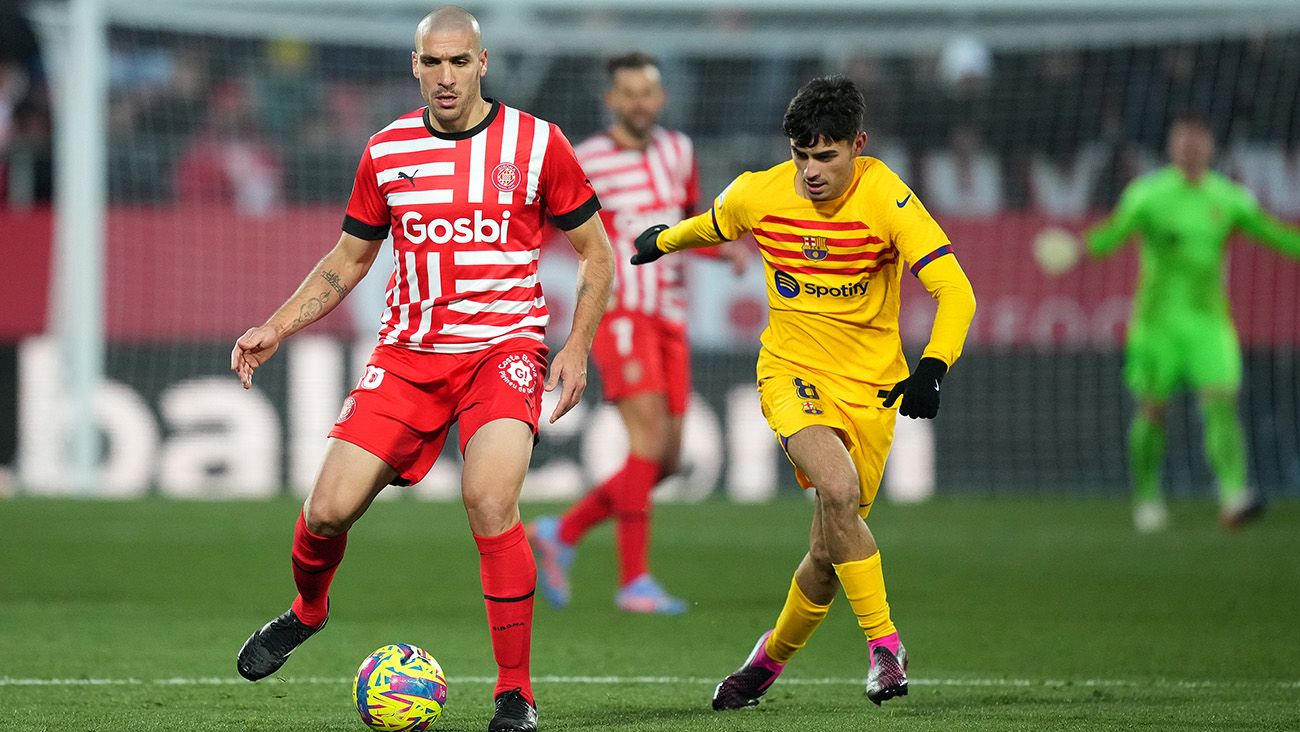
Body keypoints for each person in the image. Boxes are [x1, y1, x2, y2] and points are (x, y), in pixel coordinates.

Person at [230, 7, 613, 732]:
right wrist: (275, 325)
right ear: (415, 66)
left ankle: (515, 695)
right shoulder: (386, 150)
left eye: (458, 63)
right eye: (432, 63)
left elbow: (596, 252)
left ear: (482, 63)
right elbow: (349, 259)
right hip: (408, 359)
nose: (445, 77)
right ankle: (308, 611)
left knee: (490, 500)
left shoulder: (537, 143)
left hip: (504, 352)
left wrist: (576, 345)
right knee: (326, 512)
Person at [629, 76, 976, 709]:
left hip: (873, 389)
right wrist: (661, 240)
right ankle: (886, 648)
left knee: (826, 553)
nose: (811, 170)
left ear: (858, 145)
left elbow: (956, 290)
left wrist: (932, 367)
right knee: (837, 491)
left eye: (826, 155)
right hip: (792, 373)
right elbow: (713, 224)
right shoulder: (761, 192)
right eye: (801, 155)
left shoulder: (888, 199)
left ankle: (765, 663)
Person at [528, 52, 747, 616]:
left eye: (647, 92)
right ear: (611, 100)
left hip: (672, 314)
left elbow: (690, 223)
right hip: (620, 314)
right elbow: (568, 234)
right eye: (627, 93)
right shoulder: (588, 158)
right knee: (647, 443)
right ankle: (635, 581)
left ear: (661, 97)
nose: (639, 102)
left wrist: (731, 251)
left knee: (667, 459)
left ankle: (562, 532)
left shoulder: (680, 152)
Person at [1086, 115, 1300, 533]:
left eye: (1197, 140)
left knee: (1221, 403)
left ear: (1211, 146)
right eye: (1182, 140)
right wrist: (1078, 249)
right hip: (1156, 324)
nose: (1189, 147)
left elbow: (1275, 236)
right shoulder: (1146, 196)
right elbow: (1111, 238)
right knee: (1153, 411)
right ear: (1171, 147)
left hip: (1208, 322)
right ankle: (1147, 497)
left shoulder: (1230, 198)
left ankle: (1234, 494)